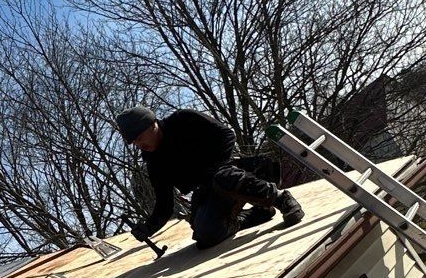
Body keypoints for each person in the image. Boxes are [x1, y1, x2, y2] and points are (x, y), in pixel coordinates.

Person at [115, 106, 303, 249]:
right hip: (209, 190)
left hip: (236, 173)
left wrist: (215, 169)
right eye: (134, 143)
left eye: (140, 138)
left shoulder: (183, 120)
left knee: (222, 177)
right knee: (205, 236)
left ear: (151, 124)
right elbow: (165, 205)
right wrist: (148, 227)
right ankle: (258, 213)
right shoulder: (155, 163)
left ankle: (280, 198)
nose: (139, 145)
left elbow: (227, 135)